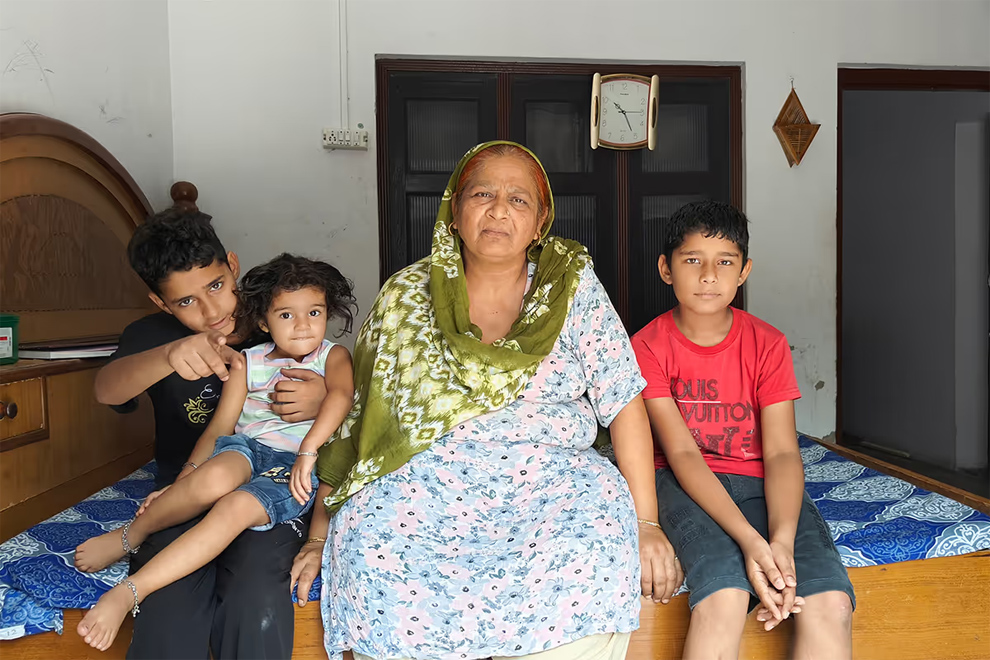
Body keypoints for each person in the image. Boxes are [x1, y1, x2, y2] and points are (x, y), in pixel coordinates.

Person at [290, 141, 682, 660]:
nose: (499, 209)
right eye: (482, 193)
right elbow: (366, 421)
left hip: (550, 486)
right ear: (455, 210)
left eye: (519, 200)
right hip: (423, 487)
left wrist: (646, 525)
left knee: (596, 528)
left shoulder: (571, 288)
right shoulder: (406, 294)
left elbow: (623, 402)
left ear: (541, 222)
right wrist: (319, 537)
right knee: (367, 535)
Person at [75, 253, 356, 651]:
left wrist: (312, 442)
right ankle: (130, 535)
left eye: (314, 312)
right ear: (265, 321)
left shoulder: (335, 356)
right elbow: (222, 426)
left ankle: (131, 589)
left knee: (234, 510)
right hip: (245, 449)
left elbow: (345, 397)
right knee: (216, 475)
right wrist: (184, 483)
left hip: (289, 465)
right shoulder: (247, 361)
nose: (303, 325)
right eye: (287, 315)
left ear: (232, 267)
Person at [631, 200, 854, 660]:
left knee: (830, 603)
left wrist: (781, 544)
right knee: (724, 596)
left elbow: (781, 454)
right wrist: (753, 542)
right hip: (680, 482)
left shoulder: (767, 344)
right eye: (692, 260)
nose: (709, 275)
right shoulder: (646, 346)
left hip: (758, 481)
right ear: (666, 269)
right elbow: (683, 454)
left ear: (744, 270)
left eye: (725, 262)